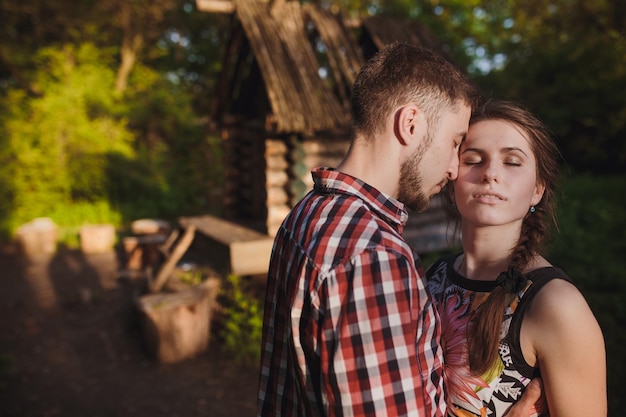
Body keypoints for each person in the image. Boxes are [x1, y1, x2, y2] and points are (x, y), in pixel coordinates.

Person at [257, 42, 540, 417]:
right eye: (455, 142)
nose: (455, 169)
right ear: (410, 125)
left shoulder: (306, 214)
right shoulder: (372, 257)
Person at [426, 99, 607, 417]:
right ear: (452, 184)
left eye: (512, 162)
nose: (490, 174)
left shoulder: (555, 305)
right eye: (473, 160)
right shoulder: (432, 279)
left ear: (538, 189)